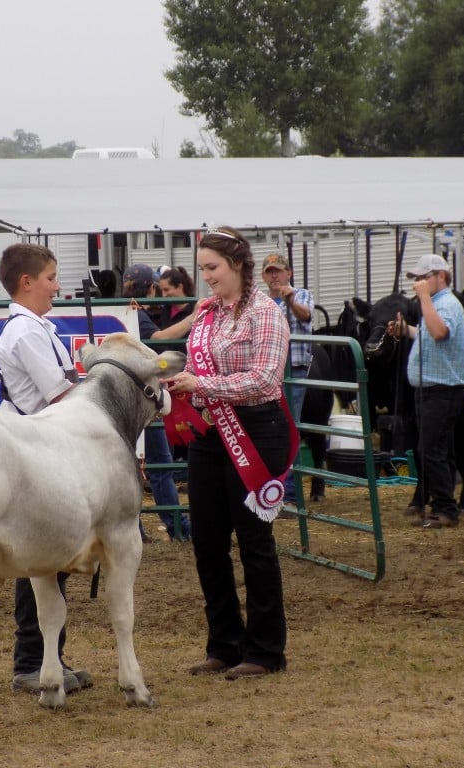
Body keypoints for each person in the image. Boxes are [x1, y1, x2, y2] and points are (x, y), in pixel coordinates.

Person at [162, 226, 297, 680]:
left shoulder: (267, 313)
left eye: (212, 268)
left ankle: (265, 650)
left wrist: (204, 385)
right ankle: (224, 642)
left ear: (238, 264)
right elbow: (196, 366)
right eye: (202, 269)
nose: (207, 277)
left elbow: (265, 381)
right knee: (207, 541)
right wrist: (178, 379)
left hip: (258, 430)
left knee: (254, 541)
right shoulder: (207, 314)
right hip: (209, 433)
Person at [0, 243, 92, 695]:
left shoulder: (35, 328)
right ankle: (31, 661)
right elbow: (58, 394)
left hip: (43, 446)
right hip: (38, 448)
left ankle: (50, 657)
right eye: (51, 277)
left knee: (49, 559)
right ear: (27, 282)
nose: (57, 285)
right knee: (38, 560)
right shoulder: (26, 334)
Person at [387, 253, 464, 530]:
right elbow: (427, 333)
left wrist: (423, 299)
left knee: (430, 449)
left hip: (442, 389)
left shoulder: (445, 304)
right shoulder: (437, 304)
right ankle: (443, 505)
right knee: (438, 449)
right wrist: (406, 330)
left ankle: (445, 508)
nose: (418, 283)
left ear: (441, 276)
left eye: (424, 278)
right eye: (417, 279)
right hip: (432, 389)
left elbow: (439, 333)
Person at [121, 263, 192, 542]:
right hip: (143, 398)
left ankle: (137, 529)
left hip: (125, 399)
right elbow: (158, 339)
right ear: (150, 288)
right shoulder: (137, 316)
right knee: (159, 462)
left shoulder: (125, 312)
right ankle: (177, 527)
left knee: (132, 462)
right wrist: (194, 317)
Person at [260, 253, 314, 505]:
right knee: (270, 427)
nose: (274, 276)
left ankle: (290, 492)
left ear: (289, 273)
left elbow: (305, 315)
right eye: (269, 272)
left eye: (278, 271)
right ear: (262, 276)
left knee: (290, 426)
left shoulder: (300, 295)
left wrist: (289, 299)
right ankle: (272, 487)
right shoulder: (258, 302)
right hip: (268, 371)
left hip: (293, 368)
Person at [157, 266, 195, 330]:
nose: (163, 295)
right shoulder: (165, 309)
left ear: (180, 287)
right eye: (162, 290)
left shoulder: (195, 308)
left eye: (166, 290)